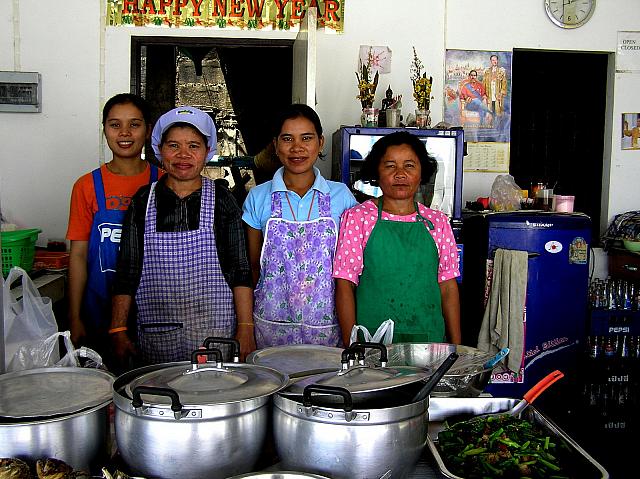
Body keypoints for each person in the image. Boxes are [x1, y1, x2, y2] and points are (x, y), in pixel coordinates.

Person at [110, 106, 255, 365]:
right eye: (174, 145)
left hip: (215, 331)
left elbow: (240, 270)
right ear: (159, 150)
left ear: (207, 151)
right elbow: (127, 270)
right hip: (158, 331)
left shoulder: (223, 201)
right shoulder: (143, 201)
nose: (183, 155)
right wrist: (118, 329)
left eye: (194, 146)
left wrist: (245, 326)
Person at [242, 104, 358, 348]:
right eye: (287, 139)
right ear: (275, 144)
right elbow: (253, 266)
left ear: (321, 142)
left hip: (328, 328)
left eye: (306, 138)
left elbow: (352, 270)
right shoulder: (258, 197)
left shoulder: (341, 197)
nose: (297, 148)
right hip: (271, 327)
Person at [333, 131, 461, 345]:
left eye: (409, 165)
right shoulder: (358, 218)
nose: (400, 174)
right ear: (377, 171)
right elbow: (345, 284)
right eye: (390, 165)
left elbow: (448, 288)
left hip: (428, 340)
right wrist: (352, 345)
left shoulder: (437, 222)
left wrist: (457, 349)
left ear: (422, 172)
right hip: (372, 342)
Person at [66, 93, 161, 362]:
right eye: (115, 124)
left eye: (134, 124)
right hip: (98, 308)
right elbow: (79, 255)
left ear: (148, 130)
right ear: (105, 129)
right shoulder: (86, 186)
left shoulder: (164, 182)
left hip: (153, 310)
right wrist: (74, 317)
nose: (125, 133)